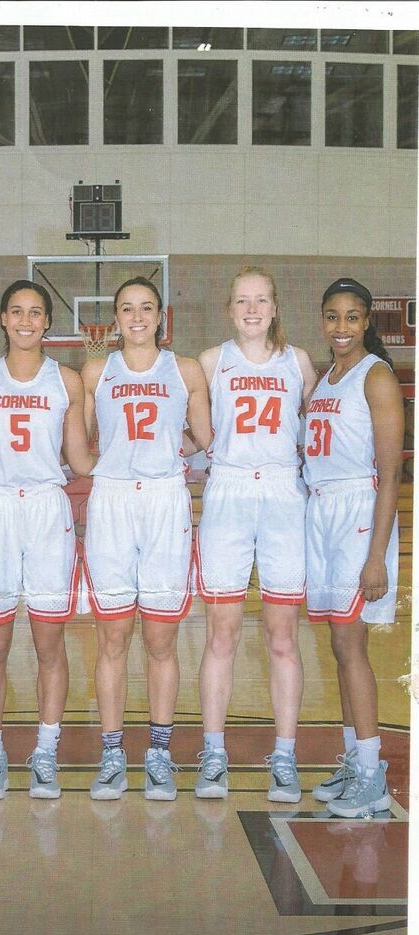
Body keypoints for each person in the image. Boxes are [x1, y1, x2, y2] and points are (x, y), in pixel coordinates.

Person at [0, 280, 95, 801]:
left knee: (48, 641)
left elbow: (80, 459)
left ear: (47, 322)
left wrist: (143, 463)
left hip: (46, 507)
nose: (25, 320)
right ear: (2, 318)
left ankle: (45, 750)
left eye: (35, 312)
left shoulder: (67, 381)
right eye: (16, 310)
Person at [82, 277, 211, 801]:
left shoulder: (184, 371)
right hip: (112, 499)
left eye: (146, 308)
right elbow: (75, 440)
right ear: (114, 318)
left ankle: (159, 752)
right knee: (112, 638)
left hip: (164, 500)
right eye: (127, 309)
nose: (137, 317)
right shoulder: (95, 371)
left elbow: (207, 439)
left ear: (161, 315)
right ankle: (113, 753)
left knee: (161, 640)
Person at [195, 268, 318, 802]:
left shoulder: (299, 363)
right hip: (228, 492)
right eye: (242, 300)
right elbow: (187, 423)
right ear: (229, 308)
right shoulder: (210, 361)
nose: (251, 309)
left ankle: (285, 757)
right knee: (220, 634)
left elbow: (314, 426)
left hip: (283, 497)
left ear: (274, 308)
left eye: (261, 300)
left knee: (283, 637)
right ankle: (214, 754)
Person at [303, 278, 403, 818]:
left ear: (367, 323)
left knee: (352, 647)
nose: (340, 327)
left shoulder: (377, 376)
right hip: (322, 513)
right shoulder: (328, 379)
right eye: (332, 316)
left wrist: (375, 556)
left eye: (352, 317)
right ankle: (354, 761)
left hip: (358, 517)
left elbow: (390, 474)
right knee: (339, 650)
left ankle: (372, 774)